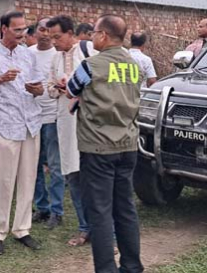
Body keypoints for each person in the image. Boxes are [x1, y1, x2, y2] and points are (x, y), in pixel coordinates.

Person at [65, 14, 144, 273]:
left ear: (104, 36)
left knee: (99, 213)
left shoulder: (91, 65)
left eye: (94, 32)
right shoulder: (135, 65)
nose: (91, 37)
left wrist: (79, 99)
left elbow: (70, 90)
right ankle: (132, 267)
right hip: (128, 145)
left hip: (98, 148)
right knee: (126, 209)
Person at [0, 11, 45, 256]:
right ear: (4, 28)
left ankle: (22, 229)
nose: (22, 34)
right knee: (4, 181)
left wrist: (37, 89)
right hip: (6, 124)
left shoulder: (29, 55)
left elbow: (40, 89)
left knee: (28, 179)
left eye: (24, 29)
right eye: (17, 30)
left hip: (31, 123)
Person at [47, 14, 96, 247]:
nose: (54, 41)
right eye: (51, 37)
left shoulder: (88, 51)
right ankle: (84, 228)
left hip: (88, 123)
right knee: (73, 176)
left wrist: (77, 89)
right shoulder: (55, 58)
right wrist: (57, 88)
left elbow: (100, 83)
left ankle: (106, 231)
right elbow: (49, 86)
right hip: (65, 123)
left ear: (70, 33)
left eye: (58, 36)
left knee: (93, 177)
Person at [29, 18, 64, 230]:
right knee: (33, 166)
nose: (45, 34)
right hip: (32, 117)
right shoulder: (28, 53)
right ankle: (41, 207)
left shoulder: (59, 56)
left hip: (53, 117)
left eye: (49, 31)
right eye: (42, 29)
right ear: (35, 32)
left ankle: (57, 210)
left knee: (55, 166)